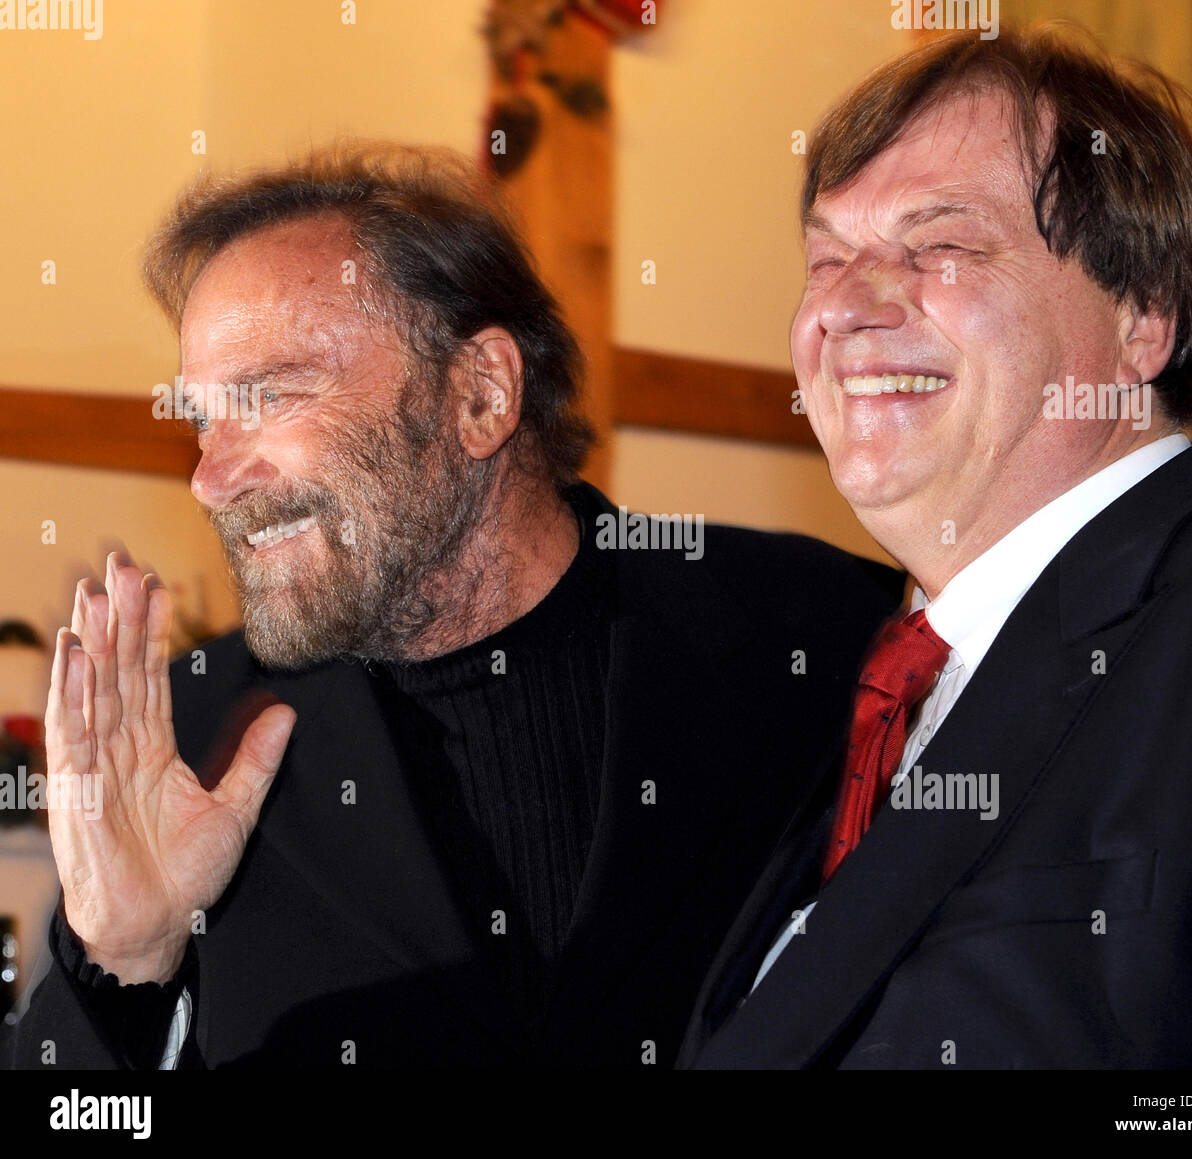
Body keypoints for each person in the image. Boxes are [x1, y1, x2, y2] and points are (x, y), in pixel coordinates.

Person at [2, 142, 901, 1068]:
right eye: (202, 419)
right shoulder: (191, 742)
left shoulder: (819, 640)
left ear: (480, 395)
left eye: (270, 396)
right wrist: (122, 960)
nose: (209, 479)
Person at [679, 27, 1192, 1069]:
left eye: (938, 246)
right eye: (827, 258)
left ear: (1141, 314)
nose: (842, 306)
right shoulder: (875, 681)